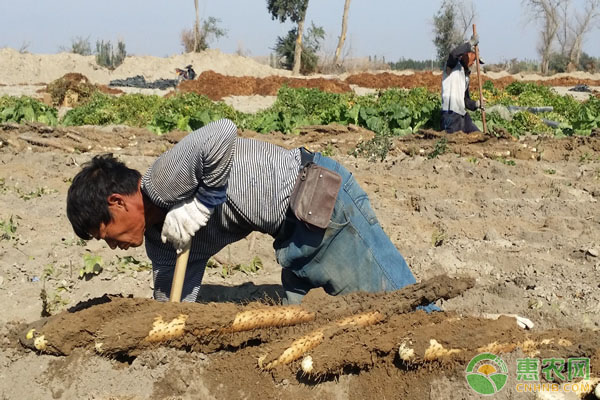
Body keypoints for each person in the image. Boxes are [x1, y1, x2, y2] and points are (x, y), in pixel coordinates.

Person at [66, 118, 431, 307]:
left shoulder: (161, 181)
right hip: (293, 241)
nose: (112, 246)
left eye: (105, 234)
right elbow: (173, 301)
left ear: (118, 202)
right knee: (314, 324)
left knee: (399, 304)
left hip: (320, 206)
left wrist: (203, 202)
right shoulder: (161, 244)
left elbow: (222, 132)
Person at [441, 34, 485, 133]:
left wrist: (476, 104)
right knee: (453, 143)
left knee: (479, 136)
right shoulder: (452, 67)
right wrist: (470, 44)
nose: (474, 63)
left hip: (462, 115)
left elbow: (465, 100)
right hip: (450, 115)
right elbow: (453, 54)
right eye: (474, 59)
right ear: (468, 54)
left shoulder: (466, 76)